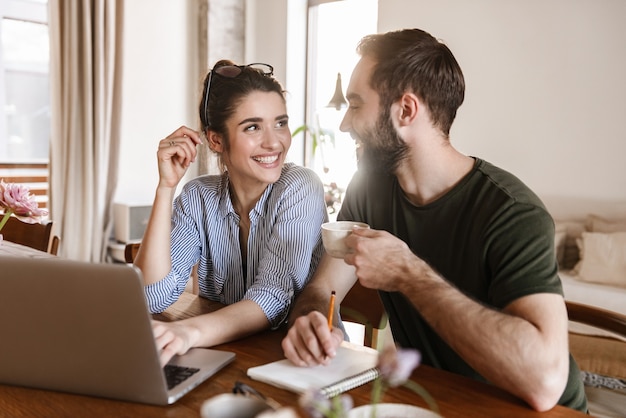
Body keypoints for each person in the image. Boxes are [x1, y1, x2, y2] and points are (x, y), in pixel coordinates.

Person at [281, 29, 587, 413]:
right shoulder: (369, 190)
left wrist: (409, 273)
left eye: (356, 105)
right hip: (436, 400)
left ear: (406, 111)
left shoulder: (512, 213)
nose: (344, 124)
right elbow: (323, 289)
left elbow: (545, 382)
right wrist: (311, 320)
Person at [134, 60, 328, 367]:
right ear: (215, 139)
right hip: (235, 357)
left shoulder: (300, 187)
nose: (274, 141)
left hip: (299, 364)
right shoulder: (198, 197)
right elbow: (152, 297)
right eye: (253, 126)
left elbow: (273, 299)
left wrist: (187, 332)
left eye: (280, 122)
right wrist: (165, 187)